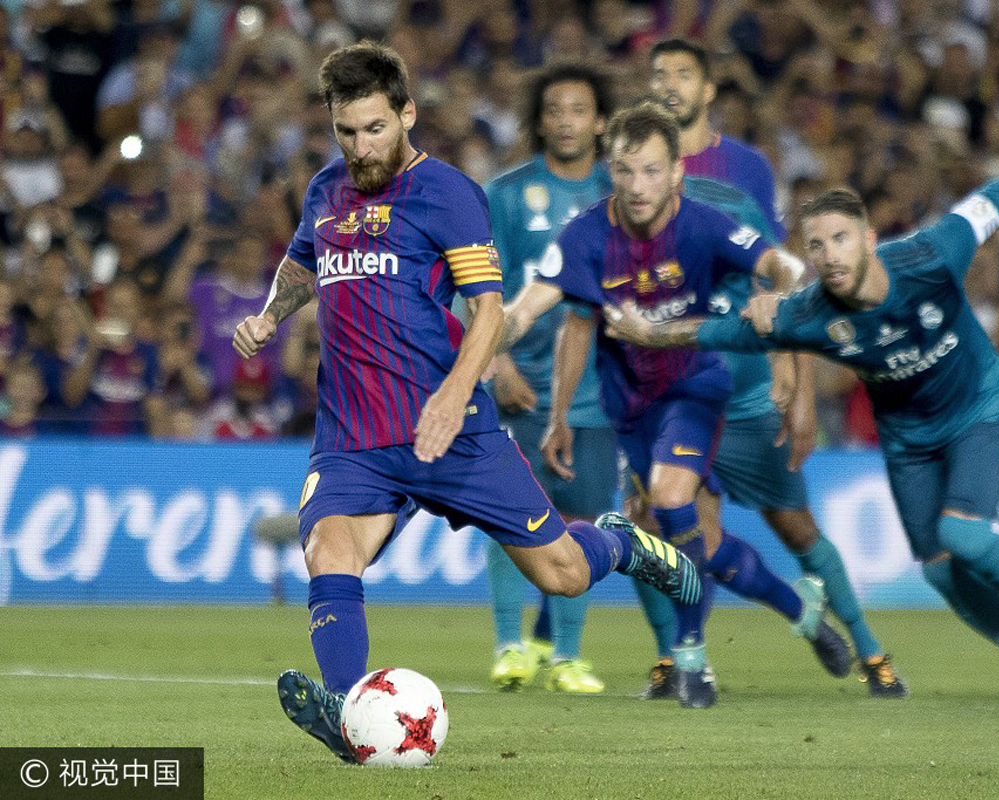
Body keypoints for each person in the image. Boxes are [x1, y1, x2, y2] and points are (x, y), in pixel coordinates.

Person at [231, 43, 700, 762]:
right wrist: (270, 314)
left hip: (452, 430)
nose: (361, 147)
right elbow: (303, 262)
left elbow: (488, 313)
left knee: (564, 575)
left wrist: (452, 398)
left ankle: (619, 541)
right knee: (328, 550)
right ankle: (352, 716)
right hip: (354, 435)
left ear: (407, 113)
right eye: (347, 132)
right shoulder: (326, 190)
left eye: (375, 130)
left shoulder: (447, 193)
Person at [603, 165, 999, 709]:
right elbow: (717, 331)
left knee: (963, 536)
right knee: (941, 574)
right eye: (816, 246)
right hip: (908, 438)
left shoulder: (932, 253)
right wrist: (648, 332)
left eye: (840, 239)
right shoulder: (808, 315)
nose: (830, 255)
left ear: (868, 239)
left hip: (978, 406)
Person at [501, 101, 829, 709]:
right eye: (625, 171)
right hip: (630, 410)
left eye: (652, 171)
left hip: (694, 388)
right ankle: (798, 605)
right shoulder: (586, 236)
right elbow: (530, 310)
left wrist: (777, 295)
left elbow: (783, 264)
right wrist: (487, 352)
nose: (638, 186)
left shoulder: (705, 224)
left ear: (678, 172)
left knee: (673, 500)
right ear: (610, 172)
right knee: (684, 543)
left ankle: (691, 657)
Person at [641, 37, 904, 698]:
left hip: (747, 385)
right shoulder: (632, 169)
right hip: (677, 388)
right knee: (663, 525)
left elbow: (777, 273)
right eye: (658, 75)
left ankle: (869, 650)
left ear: (708, 91)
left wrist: (801, 384)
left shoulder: (745, 169)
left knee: (795, 526)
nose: (669, 84)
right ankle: (682, 656)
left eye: (683, 74)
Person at [482, 63, 618, 694]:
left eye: (579, 109)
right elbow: (478, 283)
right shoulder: (507, 194)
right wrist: (493, 360)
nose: (566, 120)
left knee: (584, 515)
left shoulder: (621, 194)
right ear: (539, 121)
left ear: (600, 121)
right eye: (555, 109)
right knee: (513, 513)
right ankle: (511, 646)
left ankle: (567, 656)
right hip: (522, 381)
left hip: (598, 385)